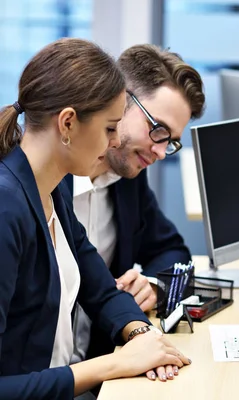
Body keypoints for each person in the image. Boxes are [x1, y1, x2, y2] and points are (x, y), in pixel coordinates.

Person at [0, 38, 190, 400]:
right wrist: (117, 364)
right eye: (109, 128)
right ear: (68, 123)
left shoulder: (50, 193)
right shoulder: (6, 209)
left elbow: (101, 290)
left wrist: (143, 339)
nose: (117, 141)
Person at [64, 44, 205, 365]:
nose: (159, 151)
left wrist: (154, 286)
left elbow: (172, 251)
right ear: (119, 101)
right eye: (158, 130)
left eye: (171, 142)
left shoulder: (127, 179)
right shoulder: (47, 185)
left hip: (100, 364)